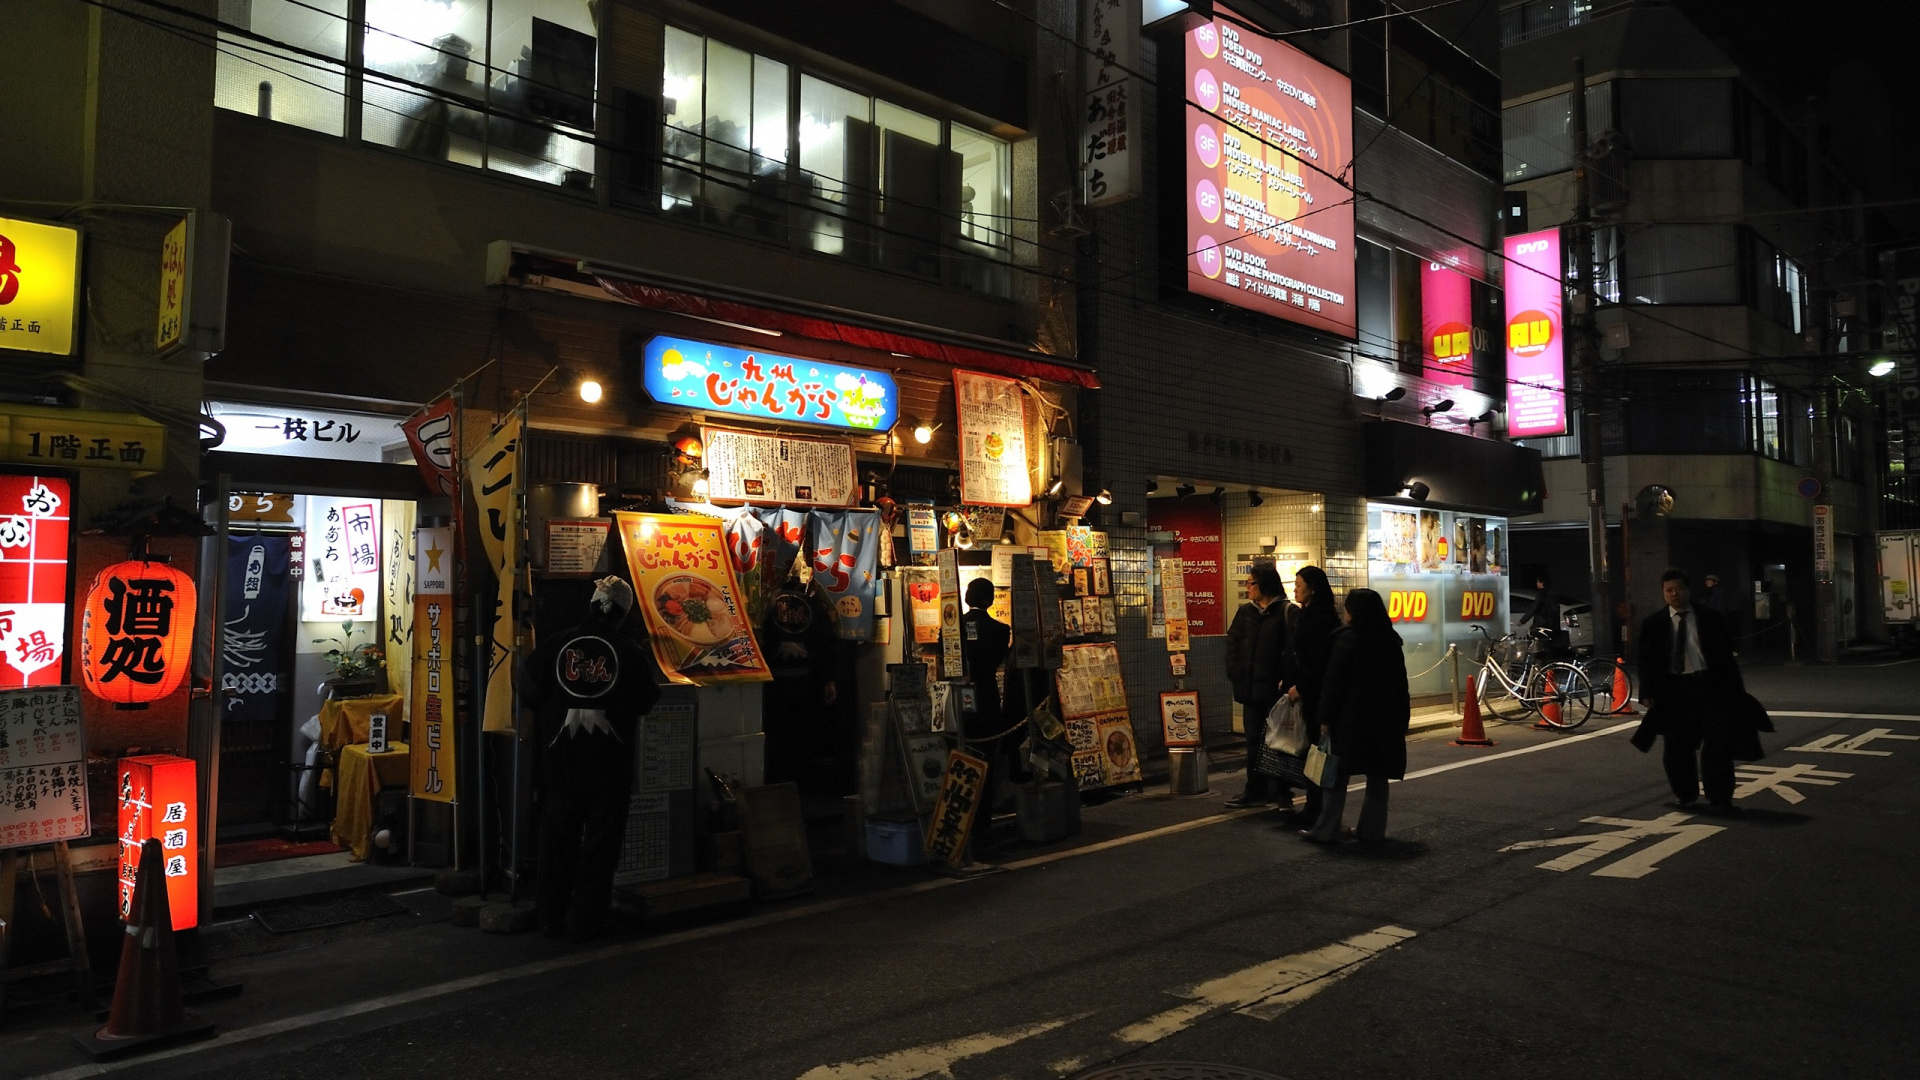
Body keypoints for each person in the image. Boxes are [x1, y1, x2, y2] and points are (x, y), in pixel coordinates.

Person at [523, 576, 663, 939]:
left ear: (591, 605)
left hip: (561, 763)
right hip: (609, 766)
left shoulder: (557, 643)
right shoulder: (628, 651)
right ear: (622, 614)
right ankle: (586, 920)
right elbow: (647, 699)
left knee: (556, 842)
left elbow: (528, 690)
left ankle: (549, 917)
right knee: (601, 847)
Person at [1632, 568, 1746, 812]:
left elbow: (1725, 657)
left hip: (1709, 686)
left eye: (1679, 588)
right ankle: (1686, 794)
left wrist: (1735, 692)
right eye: (1669, 590)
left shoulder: (1710, 617)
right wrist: (1647, 691)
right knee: (1676, 748)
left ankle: (1720, 797)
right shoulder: (1653, 623)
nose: (1675, 594)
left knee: (1718, 746)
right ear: (1663, 593)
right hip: (1675, 690)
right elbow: (1646, 660)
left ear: (1688, 590)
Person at [1302, 589, 1410, 844]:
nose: (1344, 611)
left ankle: (1326, 829)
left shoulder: (1346, 639)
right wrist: (1401, 718)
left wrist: (1325, 717)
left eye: (1347, 607)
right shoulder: (1389, 639)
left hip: (1349, 720)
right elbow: (1400, 684)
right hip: (1383, 719)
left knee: (1335, 775)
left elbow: (1334, 682)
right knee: (1378, 775)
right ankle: (1371, 832)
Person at [1224, 562, 1290, 809]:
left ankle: (1280, 791)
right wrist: (1235, 673)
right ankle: (1255, 789)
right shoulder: (1245, 613)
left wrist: (1285, 680)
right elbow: (1232, 643)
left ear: (1265, 585)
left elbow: (1292, 651)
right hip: (1250, 689)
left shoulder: (1285, 612)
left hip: (1276, 692)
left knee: (1280, 742)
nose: (1247, 587)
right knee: (1253, 742)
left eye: (1251, 583)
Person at [960, 576, 1020, 844]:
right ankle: (982, 819)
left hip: (958, 699)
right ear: (989, 599)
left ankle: (962, 818)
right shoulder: (1000, 629)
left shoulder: (952, 627)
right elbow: (997, 660)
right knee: (986, 760)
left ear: (967, 598)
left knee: (961, 758)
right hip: (986, 697)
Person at [1280, 566, 1339, 824]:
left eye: (1299, 584)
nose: (1295, 588)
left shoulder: (1318, 618)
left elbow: (1318, 662)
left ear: (1312, 588)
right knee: (1310, 751)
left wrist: (1300, 686)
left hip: (1315, 696)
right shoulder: (1309, 614)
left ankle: (1316, 811)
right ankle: (1314, 808)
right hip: (1307, 691)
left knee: (1315, 752)